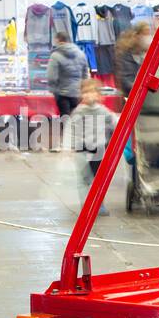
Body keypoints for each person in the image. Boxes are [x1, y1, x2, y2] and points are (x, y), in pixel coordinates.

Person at [71, 78, 116, 216]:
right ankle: (86, 204)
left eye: (92, 92)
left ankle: (98, 204)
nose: (88, 95)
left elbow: (114, 124)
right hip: (82, 149)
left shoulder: (104, 111)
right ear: (81, 95)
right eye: (85, 92)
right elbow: (73, 128)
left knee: (99, 179)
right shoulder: (78, 112)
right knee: (84, 179)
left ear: (98, 95)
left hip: (99, 149)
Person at [46, 31, 88, 151]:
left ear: (58, 40)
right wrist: (83, 88)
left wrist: (53, 89)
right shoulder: (81, 54)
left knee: (65, 118)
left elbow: (51, 76)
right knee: (77, 117)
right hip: (77, 93)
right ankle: (78, 142)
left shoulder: (55, 55)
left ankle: (65, 144)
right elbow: (85, 73)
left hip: (62, 93)